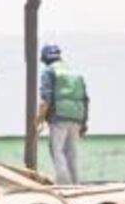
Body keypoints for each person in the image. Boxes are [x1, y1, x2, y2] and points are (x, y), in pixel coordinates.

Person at [36, 44, 89, 184]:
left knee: (57, 151)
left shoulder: (49, 71)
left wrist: (39, 120)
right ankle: (75, 185)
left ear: (45, 58)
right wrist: (84, 122)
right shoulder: (74, 72)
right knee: (72, 154)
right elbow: (85, 99)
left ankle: (65, 186)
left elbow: (45, 99)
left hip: (59, 117)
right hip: (77, 117)